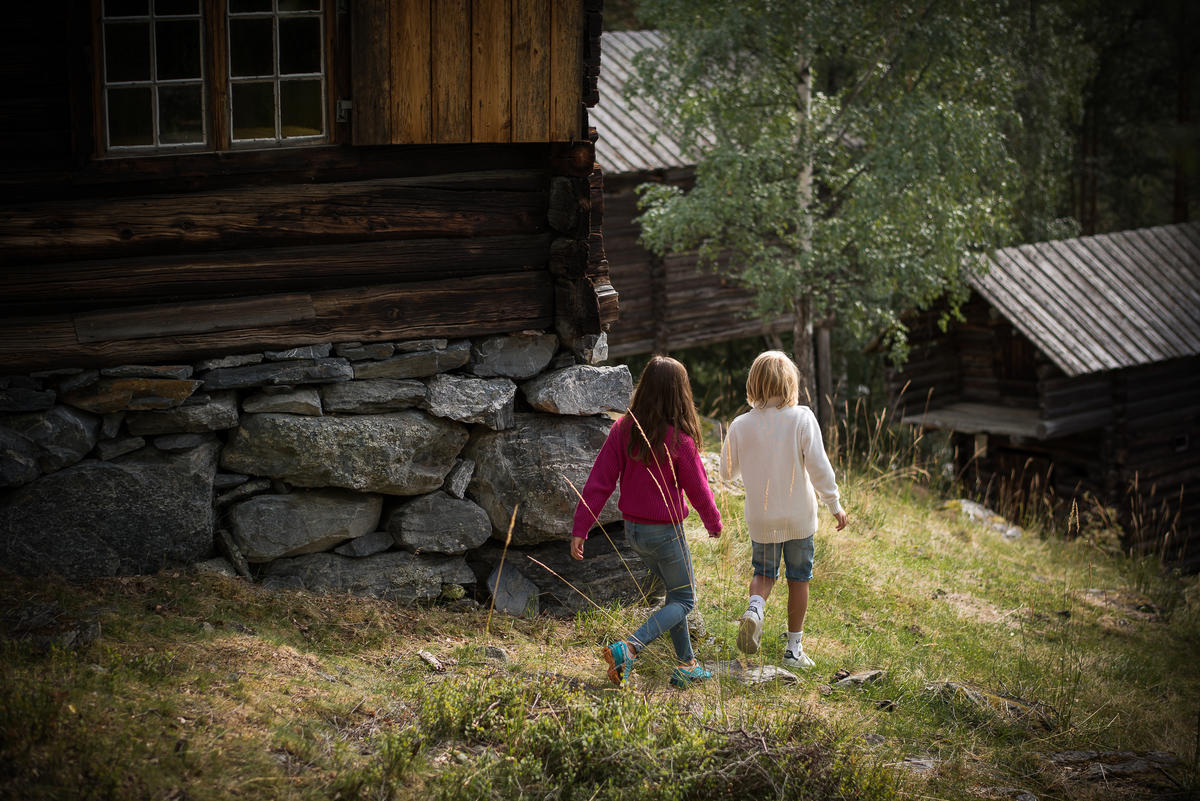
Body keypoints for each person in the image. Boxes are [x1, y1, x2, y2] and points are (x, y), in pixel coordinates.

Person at [570, 355, 722, 688]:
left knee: (674, 593)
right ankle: (629, 648)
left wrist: (581, 527)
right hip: (666, 534)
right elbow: (699, 490)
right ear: (679, 393)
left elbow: (599, 481)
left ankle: (687, 664)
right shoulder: (681, 440)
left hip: (634, 533)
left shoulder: (623, 429)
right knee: (685, 600)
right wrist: (713, 522)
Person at [720, 350, 847, 669]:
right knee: (799, 579)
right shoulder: (802, 417)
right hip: (799, 518)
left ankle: (754, 610)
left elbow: (726, 471)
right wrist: (834, 503)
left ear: (753, 384)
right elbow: (819, 466)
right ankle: (793, 650)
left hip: (761, 518)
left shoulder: (740, 424)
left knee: (763, 574)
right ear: (791, 384)